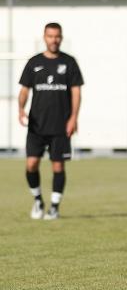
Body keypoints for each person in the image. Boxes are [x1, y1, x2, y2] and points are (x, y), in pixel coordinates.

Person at [18, 22, 84, 220]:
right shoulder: (34, 62)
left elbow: (76, 92)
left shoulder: (69, 62)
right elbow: (24, 90)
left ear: (61, 38)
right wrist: (20, 109)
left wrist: (74, 117)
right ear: (44, 37)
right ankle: (38, 200)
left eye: (57, 36)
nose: (54, 40)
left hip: (60, 125)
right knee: (31, 165)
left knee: (58, 166)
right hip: (37, 125)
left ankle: (54, 207)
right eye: (50, 36)